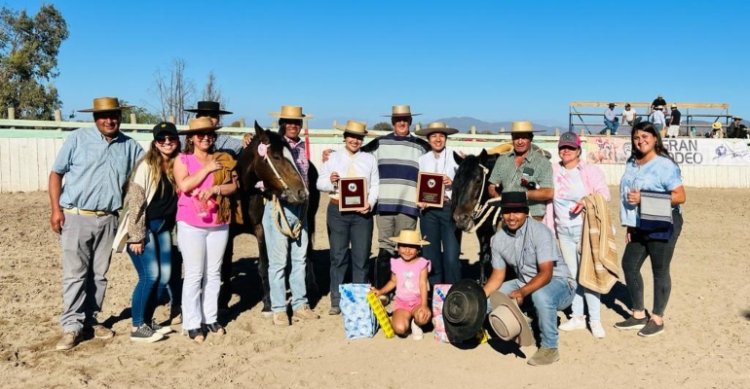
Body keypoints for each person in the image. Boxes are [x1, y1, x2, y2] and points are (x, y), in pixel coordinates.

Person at [49, 97, 144, 351]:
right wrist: (56, 209)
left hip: (109, 218)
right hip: (76, 216)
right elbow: (56, 173)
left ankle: (90, 319)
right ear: (95, 118)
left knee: (99, 274)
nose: (109, 120)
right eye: (104, 116)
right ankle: (71, 326)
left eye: (114, 115)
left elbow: (150, 169)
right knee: (75, 274)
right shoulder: (78, 139)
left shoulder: (131, 147)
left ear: (120, 117)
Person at [482, 192, 575, 366]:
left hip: (560, 283)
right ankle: (482, 330)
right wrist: (480, 296)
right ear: (501, 213)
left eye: (517, 211)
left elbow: (546, 273)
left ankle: (550, 348)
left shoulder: (540, 231)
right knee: (489, 299)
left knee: (541, 295)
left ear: (526, 212)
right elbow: (498, 276)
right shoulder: (497, 240)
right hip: (525, 281)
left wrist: (522, 291)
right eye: (507, 212)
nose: (511, 217)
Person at [615, 121, 686, 337]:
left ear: (655, 138)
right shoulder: (632, 162)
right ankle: (638, 314)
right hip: (638, 223)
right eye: (637, 137)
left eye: (646, 136)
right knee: (629, 264)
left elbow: (680, 197)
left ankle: (657, 318)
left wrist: (644, 198)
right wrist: (629, 224)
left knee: (659, 269)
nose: (640, 141)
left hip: (662, 221)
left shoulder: (665, 165)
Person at [113, 122, 181, 343]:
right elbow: (136, 203)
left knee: (166, 277)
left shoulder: (177, 165)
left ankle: (148, 320)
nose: (167, 142)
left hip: (163, 229)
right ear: (155, 143)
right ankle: (137, 326)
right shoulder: (146, 166)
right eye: (162, 139)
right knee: (149, 276)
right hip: (144, 227)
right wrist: (136, 236)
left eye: (171, 138)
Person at [173, 117, 238, 343]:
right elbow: (185, 185)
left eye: (209, 134)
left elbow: (233, 186)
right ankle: (191, 322)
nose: (205, 138)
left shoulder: (223, 159)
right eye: (200, 134)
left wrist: (217, 188)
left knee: (214, 272)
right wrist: (207, 169)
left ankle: (210, 317)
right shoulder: (183, 160)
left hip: (218, 222)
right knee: (194, 274)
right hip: (191, 223)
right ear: (191, 138)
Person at [357, 105, 430, 291]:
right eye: (398, 119)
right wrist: (332, 155)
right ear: (393, 122)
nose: (402, 122)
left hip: (409, 206)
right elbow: (357, 157)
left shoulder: (421, 146)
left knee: (406, 248)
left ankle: (404, 289)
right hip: (385, 205)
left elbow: (437, 162)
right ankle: (383, 289)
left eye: (405, 119)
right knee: (386, 247)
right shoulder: (379, 143)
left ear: (410, 122)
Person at [549, 132, 611, 339]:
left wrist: (586, 201)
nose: (565, 151)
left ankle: (595, 319)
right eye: (562, 148)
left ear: (578, 151)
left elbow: (604, 194)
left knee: (589, 273)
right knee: (573, 275)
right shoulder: (553, 170)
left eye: (570, 148)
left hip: (585, 229)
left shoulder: (590, 171)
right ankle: (577, 316)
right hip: (562, 231)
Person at [316, 120, 379, 315]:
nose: (355, 140)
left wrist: (371, 202)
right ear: (345, 138)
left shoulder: (369, 159)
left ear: (362, 140)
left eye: (359, 137)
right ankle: (337, 300)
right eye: (352, 136)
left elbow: (375, 184)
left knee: (361, 257)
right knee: (338, 256)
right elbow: (320, 182)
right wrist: (331, 181)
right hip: (338, 212)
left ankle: (359, 299)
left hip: (362, 214)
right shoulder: (332, 158)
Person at [265, 105, 319, 326]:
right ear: (282, 123)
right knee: (278, 261)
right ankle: (279, 307)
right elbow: (263, 175)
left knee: (300, 259)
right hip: (279, 206)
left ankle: (299, 304)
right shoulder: (271, 147)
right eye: (289, 122)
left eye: (297, 122)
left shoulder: (301, 149)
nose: (293, 125)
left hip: (300, 207)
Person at [416, 122, 462, 285]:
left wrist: (453, 182)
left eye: (441, 136)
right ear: (428, 139)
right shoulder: (422, 160)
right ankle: (436, 295)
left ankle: (453, 295)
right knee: (431, 256)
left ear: (446, 138)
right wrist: (420, 201)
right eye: (434, 136)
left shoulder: (456, 157)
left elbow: (466, 184)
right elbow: (419, 185)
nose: (438, 139)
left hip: (449, 209)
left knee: (451, 256)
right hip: (428, 212)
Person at [372, 230, 432, 340]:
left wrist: (424, 305)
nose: (407, 250)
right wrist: (380, 291)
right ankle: (402, 319)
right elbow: (393, 282)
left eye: (412, 247)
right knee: (400, 329)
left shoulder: (422, 263)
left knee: (423, 317)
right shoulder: (396, 263)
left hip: (417, 302)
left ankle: (416, 323)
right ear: (398, 249)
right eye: (404, 246)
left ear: (418, 250)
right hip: (401, 303)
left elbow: (423, 284)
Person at [488, 121, 553, 221]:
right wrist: (498, 198)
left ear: (531, 138)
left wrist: (520, 196)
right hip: (507, 217)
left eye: (524, 137)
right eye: (516, 137)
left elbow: (548, 192)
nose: (520, 141)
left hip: (533, 217)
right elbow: (492, 185)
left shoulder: (543, 162)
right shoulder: (502, 160)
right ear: (512, 139)